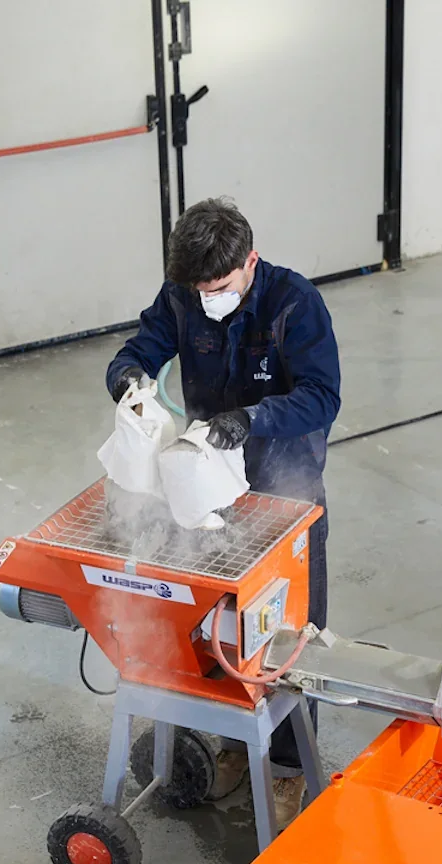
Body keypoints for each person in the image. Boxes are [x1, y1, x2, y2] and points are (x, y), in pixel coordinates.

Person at [106, 197, 340, 827]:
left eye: (221, 286)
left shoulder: (294, 304)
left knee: (288, 638)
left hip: (282, 489)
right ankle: (240, 743)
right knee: (222, 629)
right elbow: (144, 345)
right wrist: (129, 377)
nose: (208, 297)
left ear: (250, 263)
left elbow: (322, 396)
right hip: (209, 494)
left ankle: (288, 769)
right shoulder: (183, 295)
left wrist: (253, 419)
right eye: (199, 288)